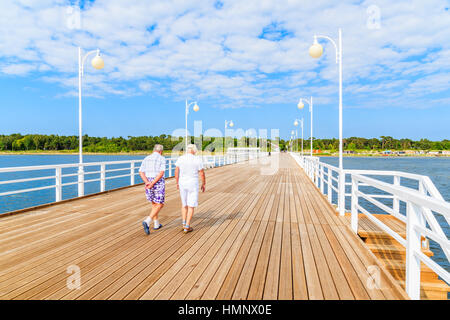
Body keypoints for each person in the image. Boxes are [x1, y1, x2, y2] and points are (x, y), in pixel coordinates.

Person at [174, 144, 206, 234]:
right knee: (191, 205)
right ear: (194, 150)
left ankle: (184, 223)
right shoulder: (197, 159)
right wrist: (203, 183)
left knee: (184, 204)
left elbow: (176, 171)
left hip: (182, 183)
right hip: (192, 183)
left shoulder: (181, 158)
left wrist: (177, 182)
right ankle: (187, 226)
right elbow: (202, 173)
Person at [139, 144, 166, 235]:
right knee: (160, 204)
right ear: (161, 151)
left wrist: (147, 182)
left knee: (154, 203)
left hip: (148, 181)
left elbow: (141, 171)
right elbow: (161, 173)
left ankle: (156, 224)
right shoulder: (162, 158)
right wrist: (153, 183)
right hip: (157, 181)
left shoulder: (146, 158)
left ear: (153, 150)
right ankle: (147, 221)